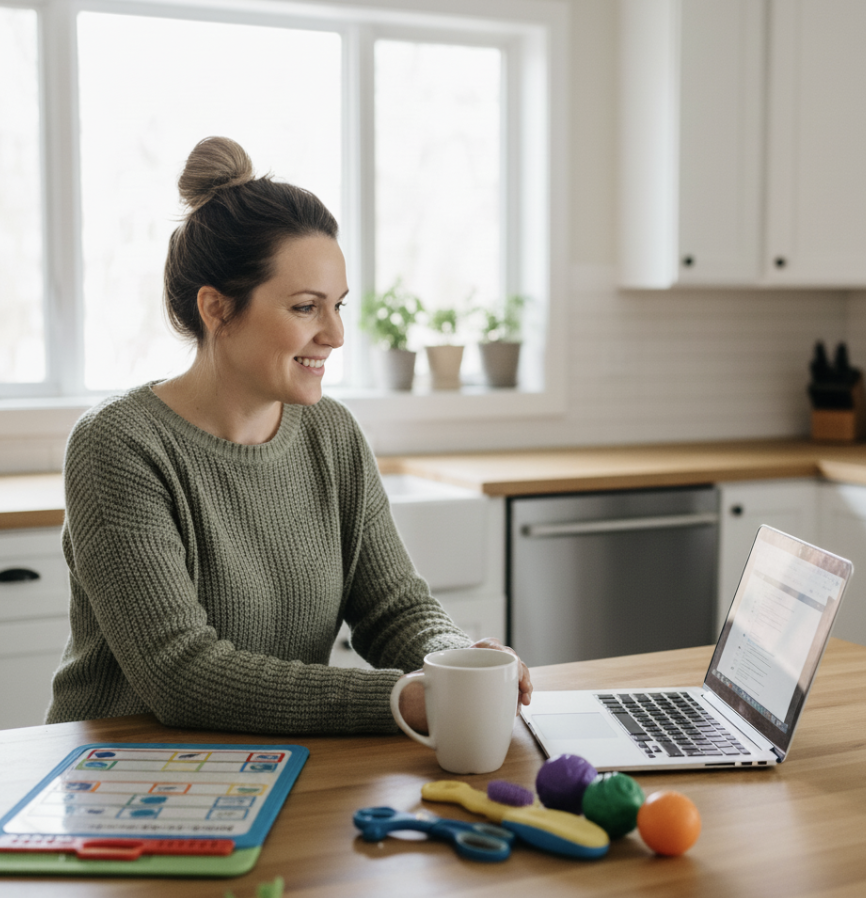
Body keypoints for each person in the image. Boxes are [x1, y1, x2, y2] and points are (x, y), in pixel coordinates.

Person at [47, 136, 532, 736]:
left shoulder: (331, 432)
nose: (335, 334)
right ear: (217, 310)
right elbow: (182, 674)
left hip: (279, 760)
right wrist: (401, 699)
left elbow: (392, 607)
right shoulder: (118, 446)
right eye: (306, 308)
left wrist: (456, 660)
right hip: (121, 782)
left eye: (338, 306)